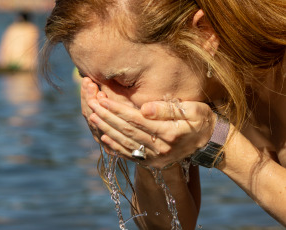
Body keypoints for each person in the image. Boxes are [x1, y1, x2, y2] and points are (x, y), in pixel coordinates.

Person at [41, 0, 286, 229]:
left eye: (126, 82)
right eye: (95, 84)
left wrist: (217, 141)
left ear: (204, 34)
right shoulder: (199, 85)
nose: (111, 105)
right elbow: (168, 226)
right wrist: (153, 155)